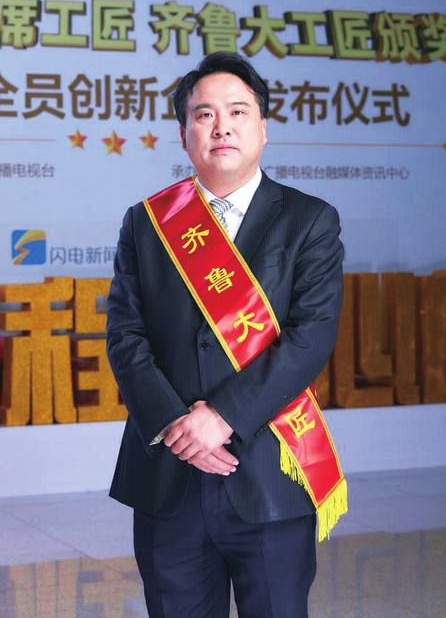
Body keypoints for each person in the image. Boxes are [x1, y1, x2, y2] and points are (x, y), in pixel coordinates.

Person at [106, 51, 345, 618]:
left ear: (263, 127)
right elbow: (125, 335)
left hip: (270, 472)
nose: (222, 126)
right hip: (169, 475)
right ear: (184, 133)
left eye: (238, 111)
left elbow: (310, 337)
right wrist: (176, 424)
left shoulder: (310, 219)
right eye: (204, 114)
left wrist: (221, 417)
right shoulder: (147, 221)